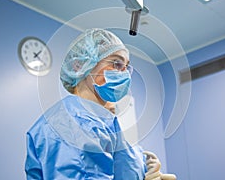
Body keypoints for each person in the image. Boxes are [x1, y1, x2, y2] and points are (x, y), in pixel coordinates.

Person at [24, 28, 176, 180]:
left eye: (126, 67)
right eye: (116, 64)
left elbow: (123, 166)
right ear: (79, 65)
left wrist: (145, 166)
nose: (123, 73)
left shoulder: (101, 120)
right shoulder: (78, 122)